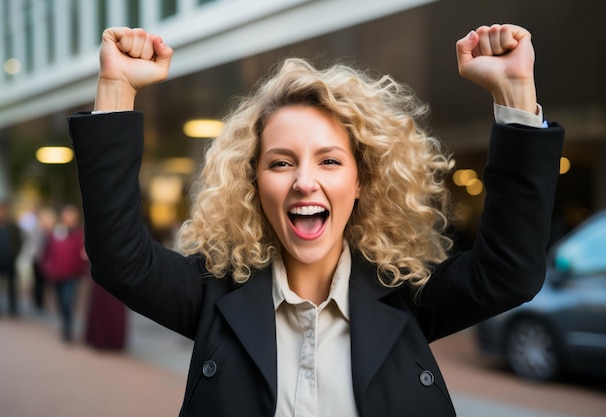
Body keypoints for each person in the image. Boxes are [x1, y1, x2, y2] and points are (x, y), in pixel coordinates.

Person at [68, 24, 565, 416]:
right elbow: (119, 259)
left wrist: (515, 93)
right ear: (253, 182)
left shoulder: (410, 296)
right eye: (281, 163)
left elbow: (510, 272)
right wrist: (116, 87)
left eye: (329, 161)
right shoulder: (211, 297)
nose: (305, 181)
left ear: (361, 181)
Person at [41, 204, 87, 342]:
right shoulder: (56, 232)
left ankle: (68, 328)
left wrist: (83, 268)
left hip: (71, 274)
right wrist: (47, 267)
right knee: (60, 302)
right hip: (56, 274)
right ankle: (64, 324)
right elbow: (47, 251)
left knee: (68, 301)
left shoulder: (80, 234)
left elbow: (83, 253)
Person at [0, 199, 23, 317]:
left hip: (10, 261)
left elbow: (19, 241)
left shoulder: (13, 227)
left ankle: (13, 309)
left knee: (11, 286)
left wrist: (14, 254)